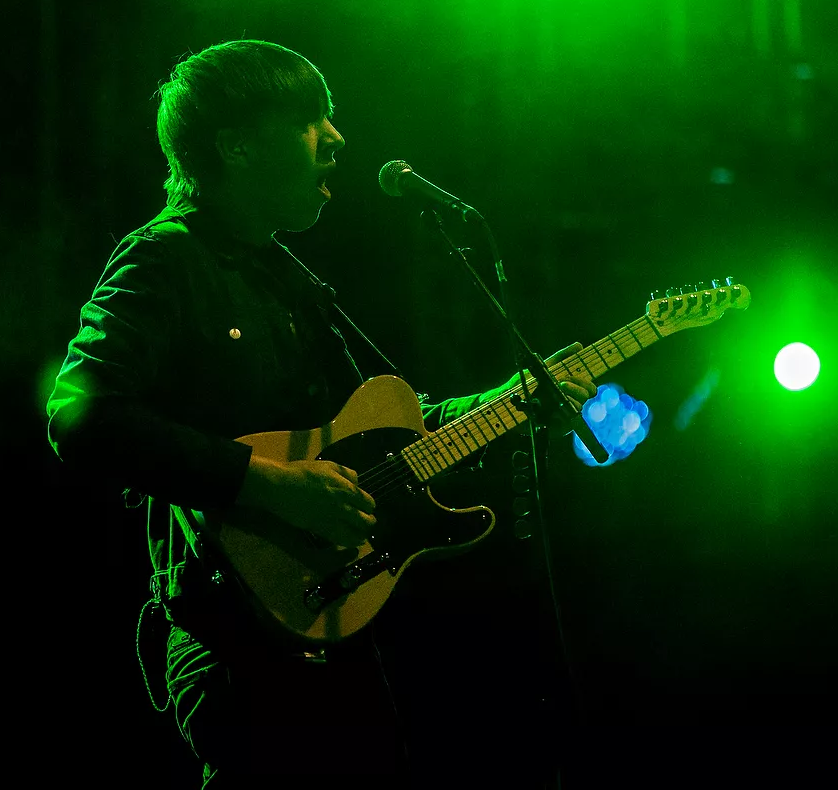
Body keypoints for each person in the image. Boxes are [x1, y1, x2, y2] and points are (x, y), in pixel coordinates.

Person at [46, 39, 596, 788]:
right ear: (236, 146)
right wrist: (265, 483)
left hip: (330, 629)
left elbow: (395, 430)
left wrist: (510, 401)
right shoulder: (162, 260)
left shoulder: (289, 277)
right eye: (311, 120)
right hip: (234, 639)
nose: (336, 139)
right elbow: (79, 416)